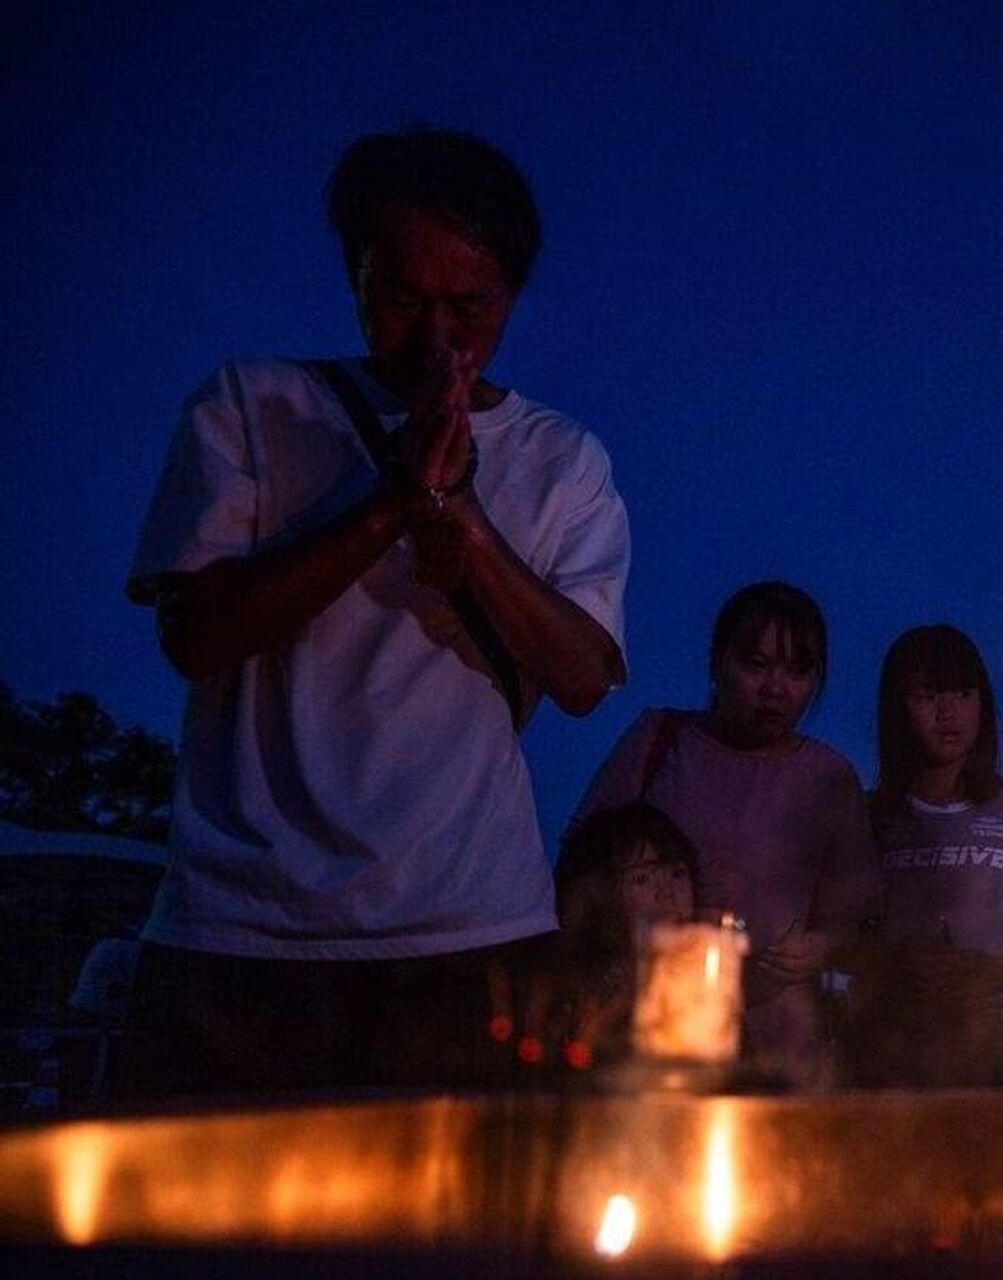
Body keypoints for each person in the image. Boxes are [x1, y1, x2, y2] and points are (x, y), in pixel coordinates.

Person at [118, 127, 629, 1097]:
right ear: (354, 275)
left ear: (512, 295)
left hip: (471, 929)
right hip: (242, 931)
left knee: (467, 1243)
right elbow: (196, 634)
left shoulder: (564, 458)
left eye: (469, 306)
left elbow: (584, 674)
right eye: (402, 297)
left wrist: (465, 524)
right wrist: (391, 501)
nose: (437, 338)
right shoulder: (255, 404)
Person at [572, 581, 878, 1082]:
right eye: (756, 664)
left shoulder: (827, 777)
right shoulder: (660, 741)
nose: (775, 688)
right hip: (652, 1026)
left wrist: (819, 947)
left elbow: (857, 916)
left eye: (797, 670)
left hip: (780, 1043)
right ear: (719, 663)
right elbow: (583, 863)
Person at [850, 624, 1003, 1087]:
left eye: (963, 693)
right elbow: (845, 938)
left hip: (994, 1061)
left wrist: (995, 972)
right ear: (897, 709)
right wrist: (893, 964)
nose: (948, 712)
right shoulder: (870, 818)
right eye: (927, 696)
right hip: (891, 1063)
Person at [518, 802, 699, 1073]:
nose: (668, 893)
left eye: (677, 873)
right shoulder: (570, 988)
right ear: (599, 894)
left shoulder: (707, 982)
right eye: (642, 879)